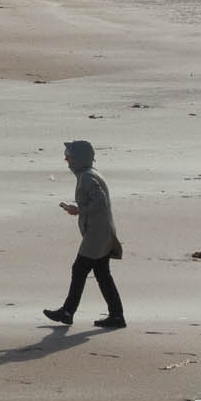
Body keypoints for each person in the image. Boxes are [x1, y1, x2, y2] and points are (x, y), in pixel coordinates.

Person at [44, 139, 125, 329]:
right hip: (101, 232)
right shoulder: (89, 174)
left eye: (69, 157)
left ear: (79, 159)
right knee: (102, 274)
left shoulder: (87, 177)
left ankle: (67, 312)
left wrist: (80, 209)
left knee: (79, 270)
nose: (66, 160)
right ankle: (116, 316)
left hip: (97, 235)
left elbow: (101, 201)